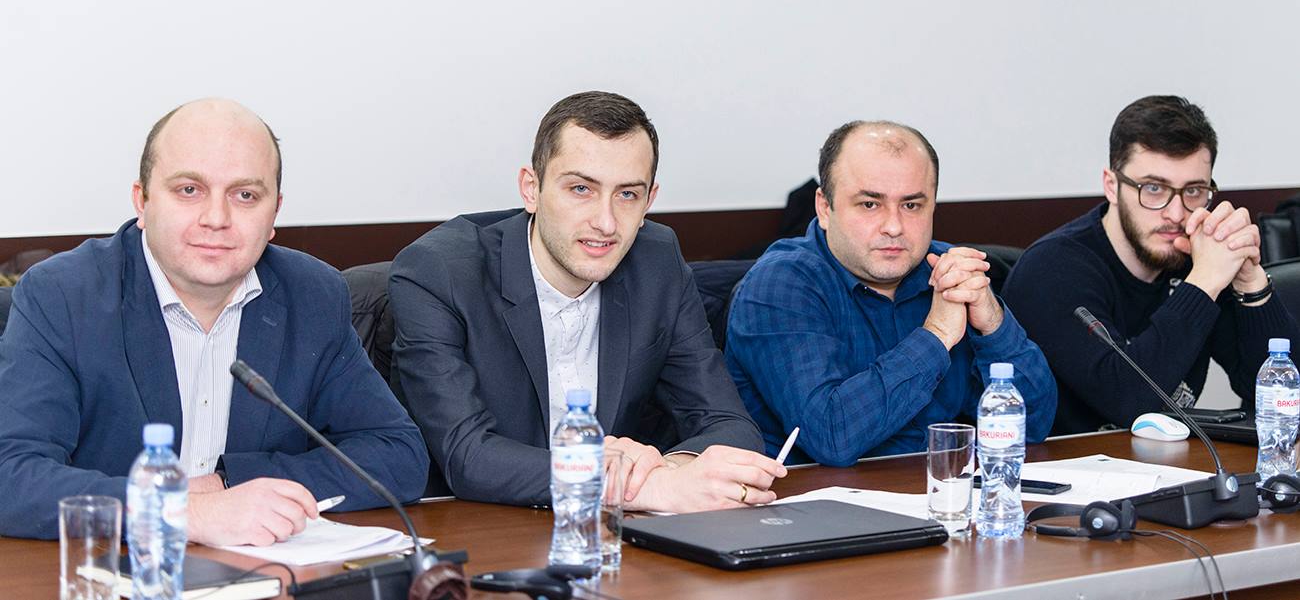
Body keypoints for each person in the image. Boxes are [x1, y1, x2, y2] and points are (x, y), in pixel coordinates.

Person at [0, 99, 429, 542]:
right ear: (142, 201)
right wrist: (183, 512)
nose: (217, 219)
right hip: (113, 567)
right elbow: (10, 474)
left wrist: (226, 484)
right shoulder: (63, 296)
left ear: (274, 214)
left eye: (245, 196)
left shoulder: (311, 295)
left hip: (260, 567)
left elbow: (397, 456)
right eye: (189, 190)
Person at [390, 91, 784, 512]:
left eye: (627, 194)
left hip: (612, 534)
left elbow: (729, 424)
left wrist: (673, 471)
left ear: (649, 201)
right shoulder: (440, 271)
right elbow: (467, 456)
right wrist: (632, 489)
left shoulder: (656, 261)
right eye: (581, 189)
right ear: (531, 189)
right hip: (480, 526)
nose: (606, 222)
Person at [725, 121, 1057, 465]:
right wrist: (937, 335)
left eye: (911, 205)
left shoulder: (948, 273)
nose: (894, 227)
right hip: (815, 495)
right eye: (870, 204)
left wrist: (993, 325)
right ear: (824, 208)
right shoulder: (780, 285)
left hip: (938, 486)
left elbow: (1032, 426)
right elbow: (832, 436)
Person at [1002, 95, 1300, 434]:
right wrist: (1204, 282)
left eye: (1194, 191)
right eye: (1154, 188)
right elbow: (1127, 401)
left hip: (1165, 462)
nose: (1176, 213)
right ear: (1112, 186)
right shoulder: (1053, 269)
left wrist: (1251, 282)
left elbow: (1282, 395)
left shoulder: (1196, 259)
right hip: (1064, 463)